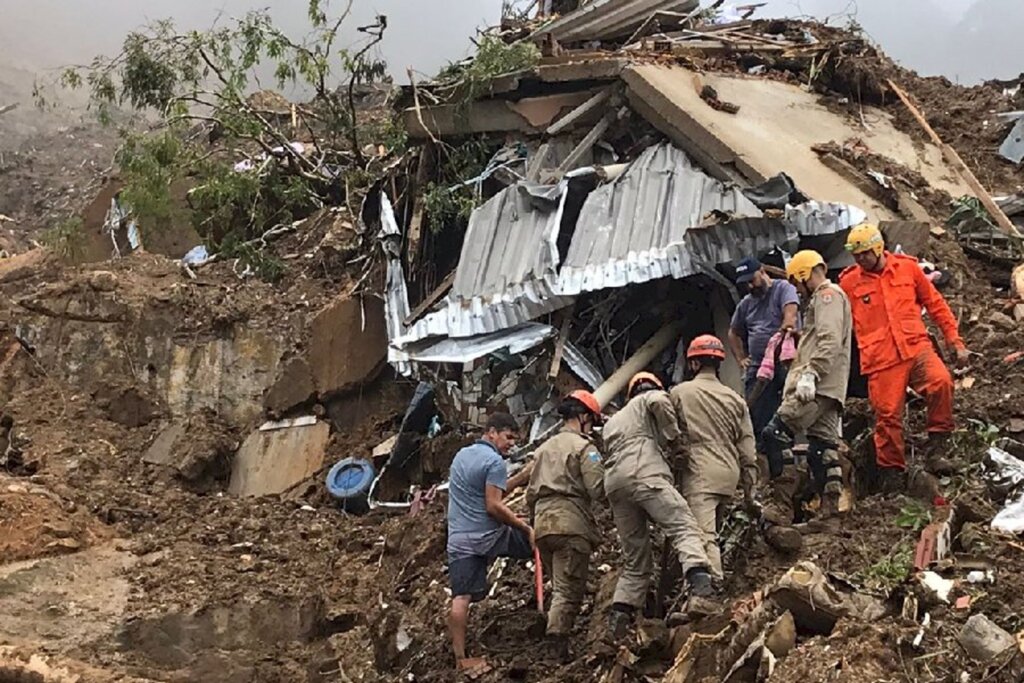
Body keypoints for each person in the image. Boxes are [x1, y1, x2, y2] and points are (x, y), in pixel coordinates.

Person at [838, 224, 970, 490]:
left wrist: (955, 341)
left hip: (915, 346)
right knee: (887, 417)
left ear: (878, 248)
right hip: (881, 359)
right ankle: (891, 473)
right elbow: (836, 320)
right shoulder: (850, 282)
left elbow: (936, 304)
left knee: (941, 382)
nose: (860, 259)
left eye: (863, 253)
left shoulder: (907, 269)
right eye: (855, 255)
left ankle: (937, 448)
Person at [602, 371, 714, 639]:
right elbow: (659, 403)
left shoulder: (612, 421)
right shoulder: (648, 398)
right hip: (644, 472)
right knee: (683, 525)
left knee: (635, 558)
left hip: (615, 485)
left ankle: (620, 618)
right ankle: (700, 588)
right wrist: (674, 439)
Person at [760, 250, 852, 552]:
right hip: (831, 388)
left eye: (798, 284)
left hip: (816, 386)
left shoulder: (827, 296)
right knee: (823, 446)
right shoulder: (833, 298)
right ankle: (830, 514)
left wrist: (811, 372)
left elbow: (828, 339)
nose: (798, 291)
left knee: (774, 433)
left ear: (803, 274)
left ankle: (781, 508)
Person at [446, 412, 535, 678]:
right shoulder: (494, 461)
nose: (511, 445)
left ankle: (460, 658)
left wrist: (520, 478)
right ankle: (550, 604)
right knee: (539, 543)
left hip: (460, 539)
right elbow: (493, 505)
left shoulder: (461, 456)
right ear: (492, 432)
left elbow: (486, 492)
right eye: (508, 437)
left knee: (460, 598)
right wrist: (525, 527)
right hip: (490, 536)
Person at [669, 335, 758, 579]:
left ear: (694, 364)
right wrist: (750, 493)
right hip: (729, 474)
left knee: (703, 536)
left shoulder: (680, 393)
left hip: (700, 474)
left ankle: (710, 593)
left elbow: (669, 435)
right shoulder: (735, 399)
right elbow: (748, 451)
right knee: (712, 532)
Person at [525, 390, 606, 659]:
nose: (592, 427)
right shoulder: (585, 448)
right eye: (592, 421)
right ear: (583, 417)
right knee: (568, 590)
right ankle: (555, 647)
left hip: (543, 526)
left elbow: (529, 495)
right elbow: (598, 489)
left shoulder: (543, 449)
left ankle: (553, 634)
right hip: (570, 525)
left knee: (559, 585)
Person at [727, 257, 801, 436]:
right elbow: (733, 332)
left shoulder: (783, 288)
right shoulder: (746, 303)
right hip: (758, 365)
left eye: (752, 281)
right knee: (756, 412)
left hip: (784, 361)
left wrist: (787, 325)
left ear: (761, 271)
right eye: (746, 284)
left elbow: (790, 310)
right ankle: (761, 447)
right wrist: (741, 359)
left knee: (790, 407)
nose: (751, 287)